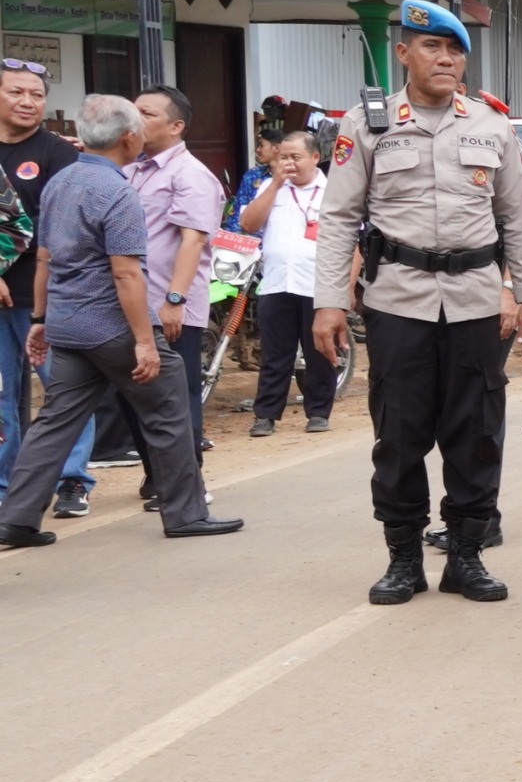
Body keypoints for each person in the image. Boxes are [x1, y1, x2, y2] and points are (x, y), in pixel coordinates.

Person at [313, 0, 522, 605]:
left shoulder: (492, 126)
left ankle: (466, 555)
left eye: (456, 48)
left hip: (474, 302)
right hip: (397, 301)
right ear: (405, 53)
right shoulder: (368, 125)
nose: (446, 59)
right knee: (400, 430)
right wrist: (330, 301)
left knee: (477, 431)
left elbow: (517, 222)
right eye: (433, 47)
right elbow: (337, 219)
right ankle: (403, 558)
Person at [0, 95, 241, 547]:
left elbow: (45, 258)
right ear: (129, 138)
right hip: (112, 324)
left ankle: (17, 518)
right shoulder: (118, 191)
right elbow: (125, 271)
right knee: (169, 409)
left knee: (54, 420)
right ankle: (186, 513)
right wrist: (144, 341)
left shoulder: (60, 182)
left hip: (67, 325)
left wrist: (39, 319)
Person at [0, 57, 93, 517]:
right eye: (16, 92)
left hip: (49, 296)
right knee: (2, 395)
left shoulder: (59, 153)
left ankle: (73, 480)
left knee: (64, 389)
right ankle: (7, 486)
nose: (27, 101)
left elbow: (60, 225)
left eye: (36, 95)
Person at [130, 86, 225, 459]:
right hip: (132, 303)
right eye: (133, 110)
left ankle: (188, 484)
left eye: (147, 113)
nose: (136, 119)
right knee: (135, 395)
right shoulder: (130, 168)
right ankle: (157, 477)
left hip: (170, 306)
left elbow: (193, 242)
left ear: (176, 126)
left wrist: (174, 299)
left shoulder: (190, 174)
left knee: (176, 397)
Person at [237, 129, 338, 434]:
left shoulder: (332, 190)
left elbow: (353, 244)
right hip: (277, 283)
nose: (289, 163)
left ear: (315, 157)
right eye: (283, 158)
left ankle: (319, 412)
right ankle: (266, 415)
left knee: (319, 352)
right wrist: (276, 184)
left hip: (318, 285)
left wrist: (344, 289)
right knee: (274, 355)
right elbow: (247, 224)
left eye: (296, 157)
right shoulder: (269, 186)